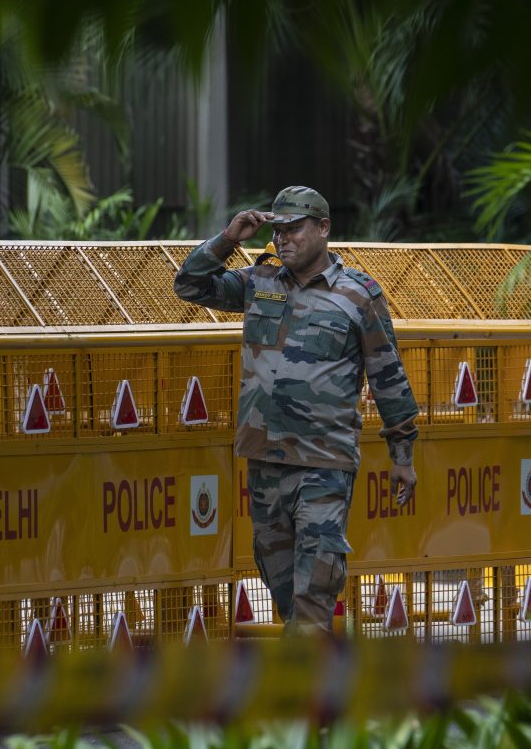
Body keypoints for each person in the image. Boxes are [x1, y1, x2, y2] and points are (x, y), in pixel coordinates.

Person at [173, 185, 419, 634]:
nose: (284, 239)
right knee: (282, 583)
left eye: (295, 230)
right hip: (265, 458)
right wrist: (229, 239)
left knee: (314, 588)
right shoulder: (258, 282)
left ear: (324, 228)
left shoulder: (357, 295)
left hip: (324, 462)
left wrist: (402, 455)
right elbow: (189, 284)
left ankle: (303, 693)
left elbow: (388, 376)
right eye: (279, 231)